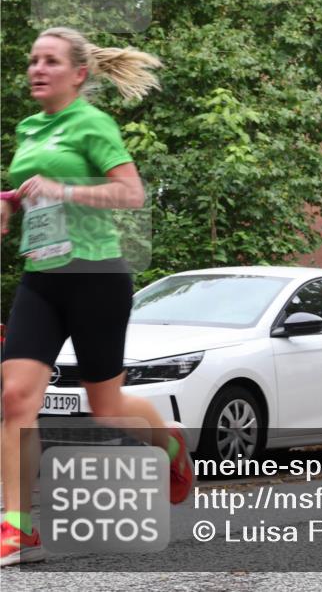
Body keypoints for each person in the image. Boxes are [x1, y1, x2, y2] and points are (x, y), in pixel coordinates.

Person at [0, 28, 194, 567]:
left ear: (78, 74)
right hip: (42, 277)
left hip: (96, 277)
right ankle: (17, 527)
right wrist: (10, 204)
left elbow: (131, 193)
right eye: (33, 59)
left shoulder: (92, 123)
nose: (37, 68)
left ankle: (169, 442)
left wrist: (64, 190)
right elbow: (30, 188)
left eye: (51, 61)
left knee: (107, 408)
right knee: (15, 398)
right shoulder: (29, 126)